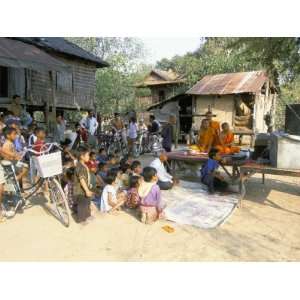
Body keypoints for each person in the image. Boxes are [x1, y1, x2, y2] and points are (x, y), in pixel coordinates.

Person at [73, 146, 94, 223]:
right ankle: (81, 219)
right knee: (82, 204)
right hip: (80, 190)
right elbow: (81, 179)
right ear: (82, 156)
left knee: (87, 202)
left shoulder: (83, 165)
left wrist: (89, 185)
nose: (89, 156)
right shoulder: (79, 166)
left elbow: (86, 177)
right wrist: (86, 190)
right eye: (87, 155)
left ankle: (87, 216)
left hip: (85, 188)